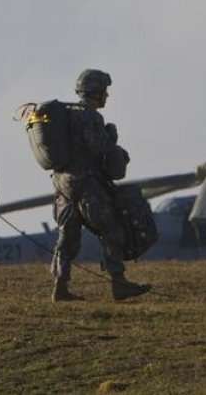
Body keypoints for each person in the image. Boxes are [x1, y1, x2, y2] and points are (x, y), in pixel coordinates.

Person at [50, 69, 150, 302]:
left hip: (63, 186)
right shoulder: (90, 117)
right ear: (96, 92)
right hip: (86, 185)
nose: (107, 96)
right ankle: (119, 283)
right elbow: (98, 149)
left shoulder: (66, 113)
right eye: (105, 91)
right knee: (112, 230)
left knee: (67, 238)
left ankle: (60, 286)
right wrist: (112, 140)